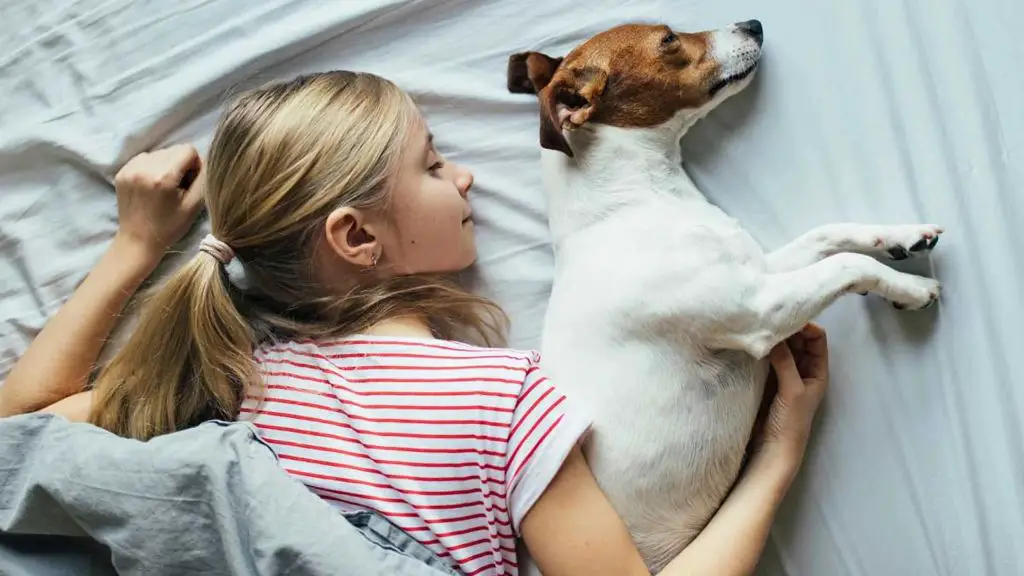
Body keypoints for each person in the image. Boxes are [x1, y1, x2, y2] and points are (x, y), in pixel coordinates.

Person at [0, 71, 830, 576]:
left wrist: (134, 246)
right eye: (433, 164)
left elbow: (19, 439)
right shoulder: (503, 401)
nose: (465, 179)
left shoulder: (231, 380)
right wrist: (778, 454)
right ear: (356, 237)